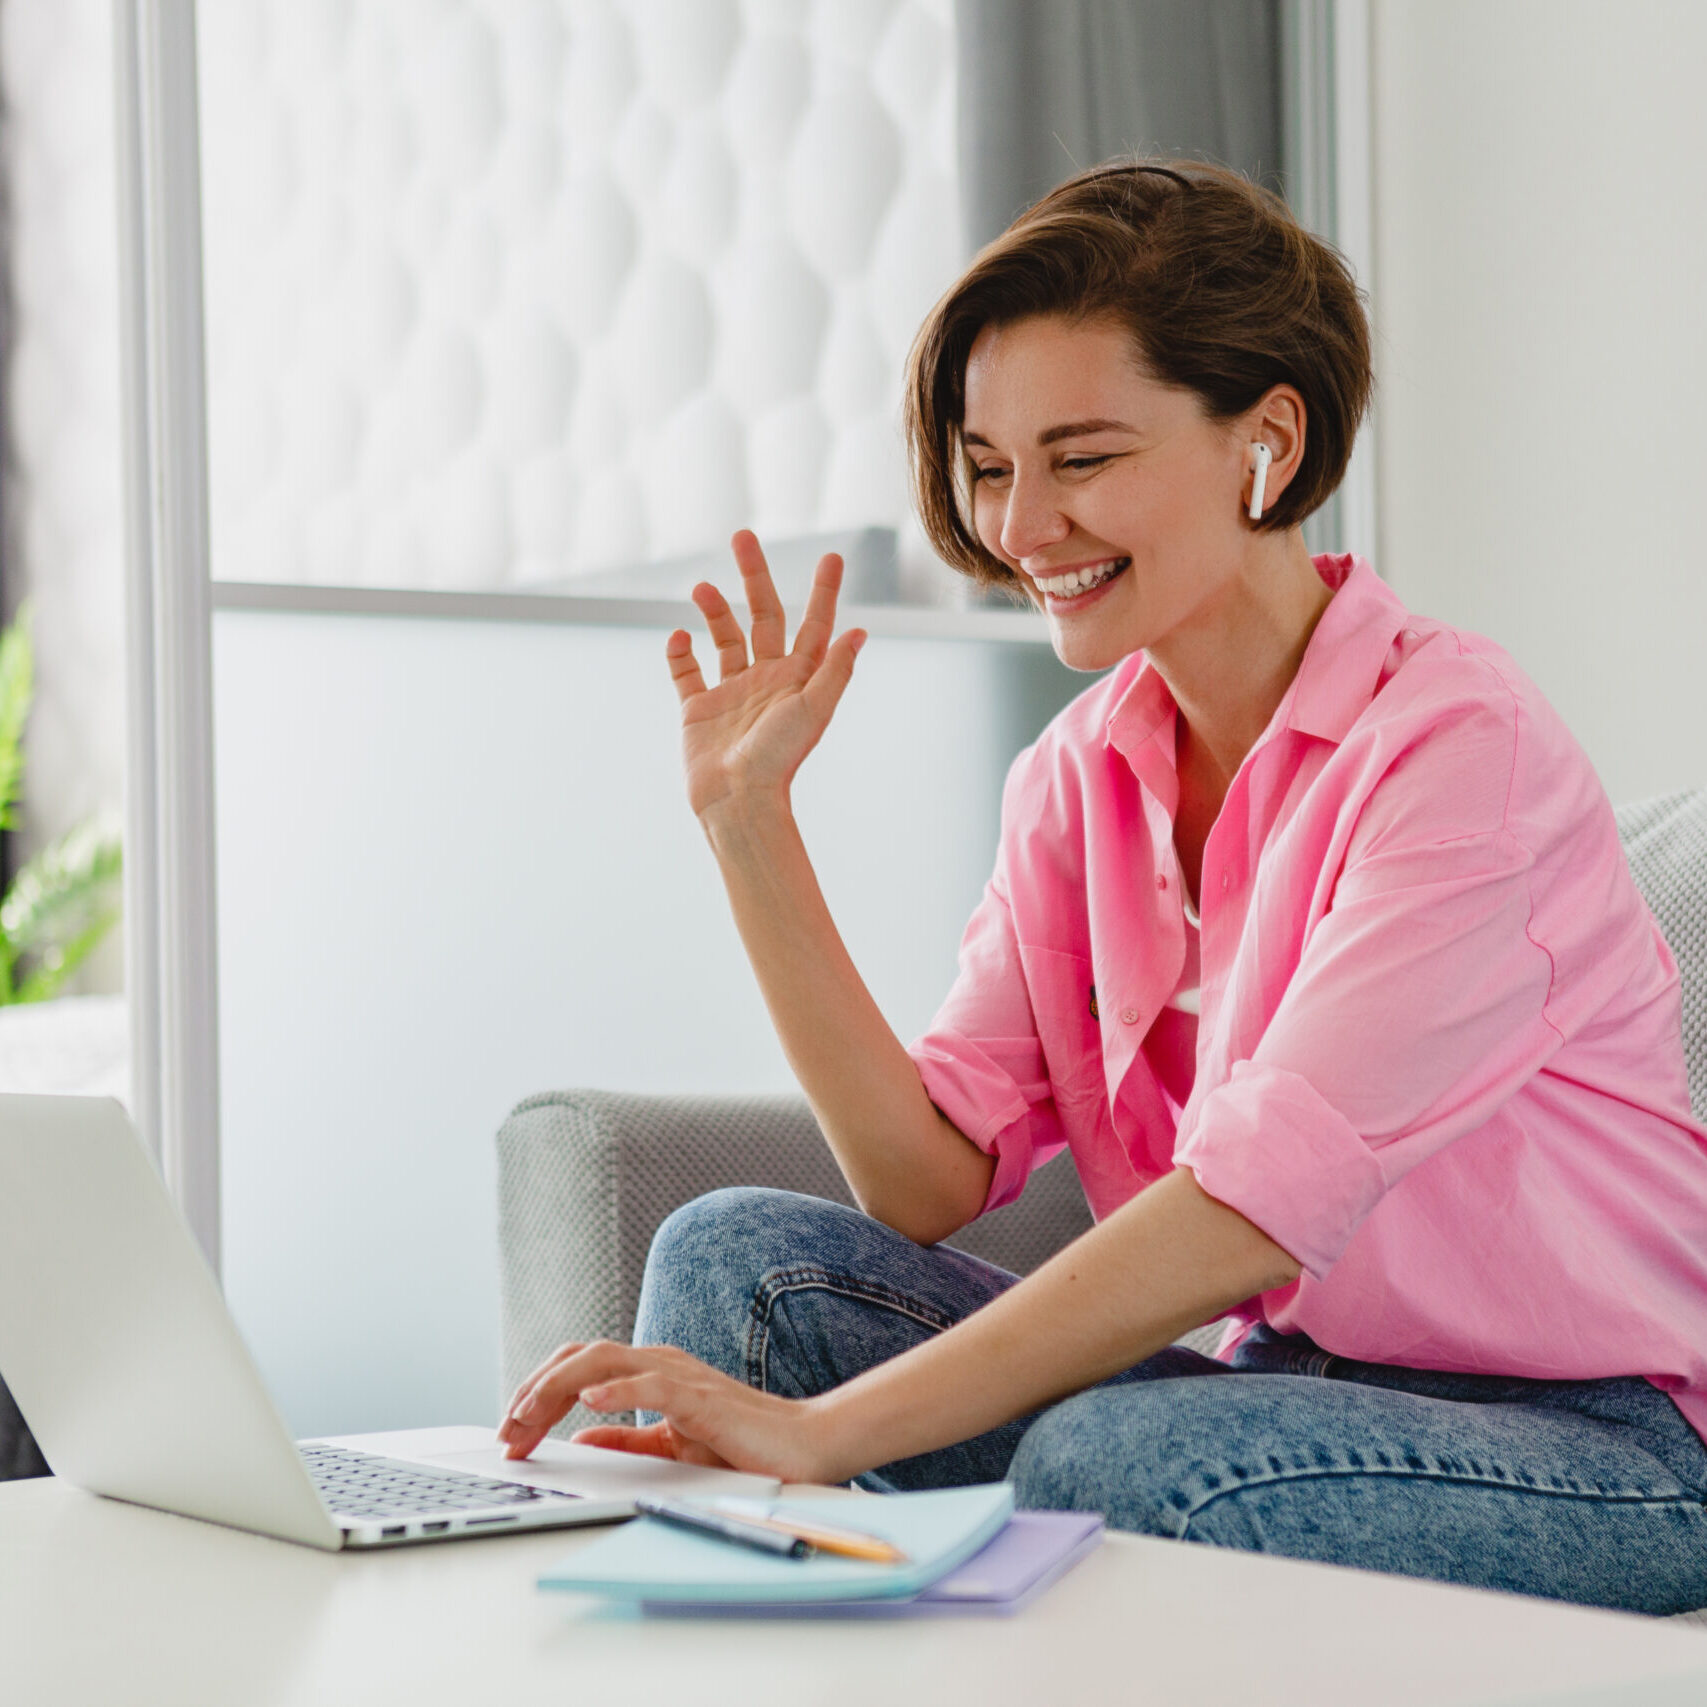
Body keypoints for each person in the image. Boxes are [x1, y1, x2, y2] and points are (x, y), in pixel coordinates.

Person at [498, 161, 1707, 1612]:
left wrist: (823, 1437)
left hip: (1603, 1449)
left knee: (1119, 1467)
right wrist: (751, 826)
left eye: (1081, 459)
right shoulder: (1078, 780)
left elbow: (1249, 1207)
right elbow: (922, 1180)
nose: (1019, 529)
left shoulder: (1460, 753)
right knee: (737, 1265)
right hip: (1287, 1398)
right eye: (991, 465)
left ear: (1266, 441)